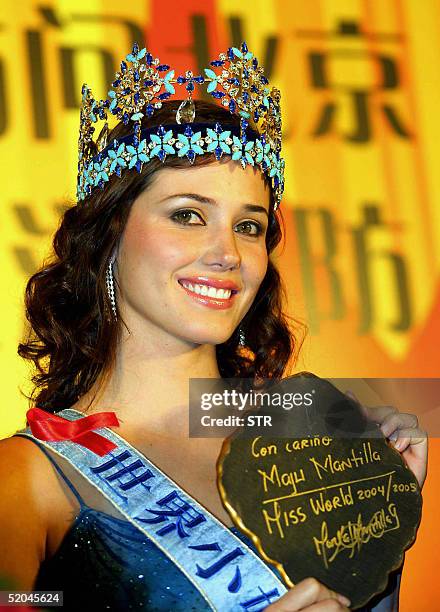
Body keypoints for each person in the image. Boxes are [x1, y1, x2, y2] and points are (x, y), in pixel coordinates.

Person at [0, 43, 427, 611]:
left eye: (249, 227)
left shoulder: (311, 442)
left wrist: (377, 513)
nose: (227, 253)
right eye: (187, 215)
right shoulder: (29, 477)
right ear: (107, 238)